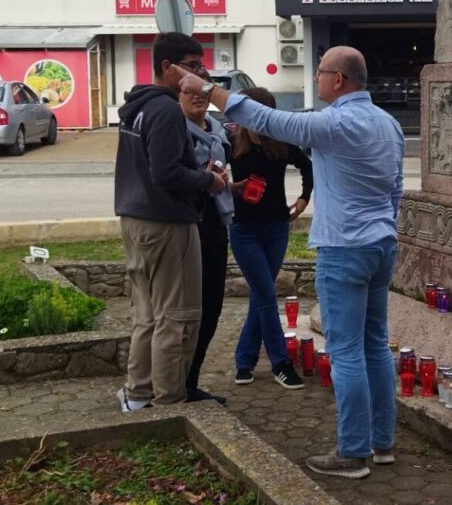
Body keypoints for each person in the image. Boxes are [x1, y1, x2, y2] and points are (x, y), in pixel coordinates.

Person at [180, 45, 404, 480]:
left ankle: (353, 454)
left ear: (338, 80)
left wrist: (208, 90)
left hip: (345, 250)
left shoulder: (336, 122)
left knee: (347, 351)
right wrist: (385, 227)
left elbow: (267, 120)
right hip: (382, 245)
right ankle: (382, 443)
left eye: (320, 72)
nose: (316, 78)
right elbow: (396, 189)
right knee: (375, 344)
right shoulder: (389, 124)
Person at [113, 32, 227, 411]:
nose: (200, 74)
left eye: (201, 66)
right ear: (167, 67)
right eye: (192, 66)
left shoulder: (139, 106)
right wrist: (207, 179)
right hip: (166, 223)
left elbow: (153, 167)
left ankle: (139, 393)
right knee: (176, 317)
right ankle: (169, 401)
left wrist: (194, 172)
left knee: (148, 314)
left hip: (135, 218)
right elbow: (166, 173)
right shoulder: (165, 110)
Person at [228, 87, 313, 391]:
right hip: (244, 231)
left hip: (277, 229)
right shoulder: (231, 145)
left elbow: (308, 166)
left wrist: (304, 199)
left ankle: (244, 360)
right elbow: (209, 176)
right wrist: (230, 187)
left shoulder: (281, 145)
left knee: (260, 296)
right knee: (266, 295)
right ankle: (280, 363)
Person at [179, 88, 234, 405]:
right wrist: (204, 178)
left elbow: (220, 175)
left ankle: (192, 381)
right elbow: (170, 176)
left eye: (202, 91)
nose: (198, 97)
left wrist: (228, 183)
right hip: (190, 223)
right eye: (189, 92)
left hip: (216, 221)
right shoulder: (174, 129)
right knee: (189, 307)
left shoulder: (217, 131)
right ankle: (179, 383)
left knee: (212, 307)